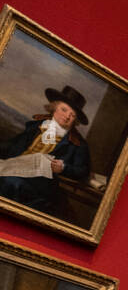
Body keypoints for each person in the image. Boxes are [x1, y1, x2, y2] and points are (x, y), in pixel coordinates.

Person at [0, 85, 91, 215]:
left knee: (11, 182)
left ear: (75, 120)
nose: (67, 117)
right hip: (12, 167)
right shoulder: (37, 125)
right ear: (54, 107)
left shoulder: (78, 144)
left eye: (72, 115)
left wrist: (63, 168)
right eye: (64, 110)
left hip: (40, 183)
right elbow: (11, 145)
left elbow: (83, 171)